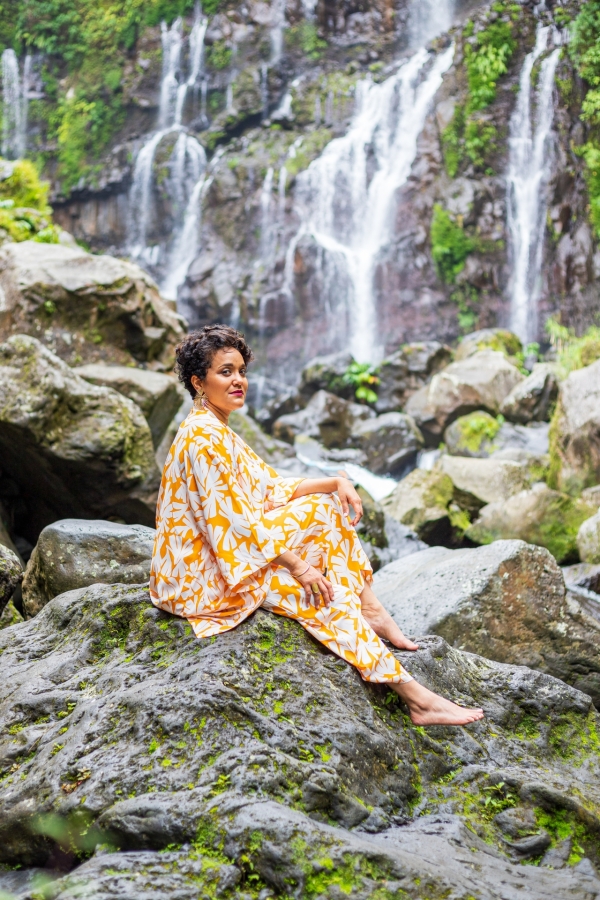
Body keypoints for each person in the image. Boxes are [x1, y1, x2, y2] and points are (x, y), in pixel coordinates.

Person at [150, 324, 484, 727]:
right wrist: (298, 565)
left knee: (325, 506)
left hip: (220, 556)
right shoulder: (202, 437)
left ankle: (368, 605)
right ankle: (415, 697)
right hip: (199, 581)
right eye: (226, 372)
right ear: (198, 381)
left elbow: (267, 487)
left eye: (241, 371)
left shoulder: (214, 427)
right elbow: (235, 524)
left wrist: (335, 482)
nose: (238, 380)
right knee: (313, 593)